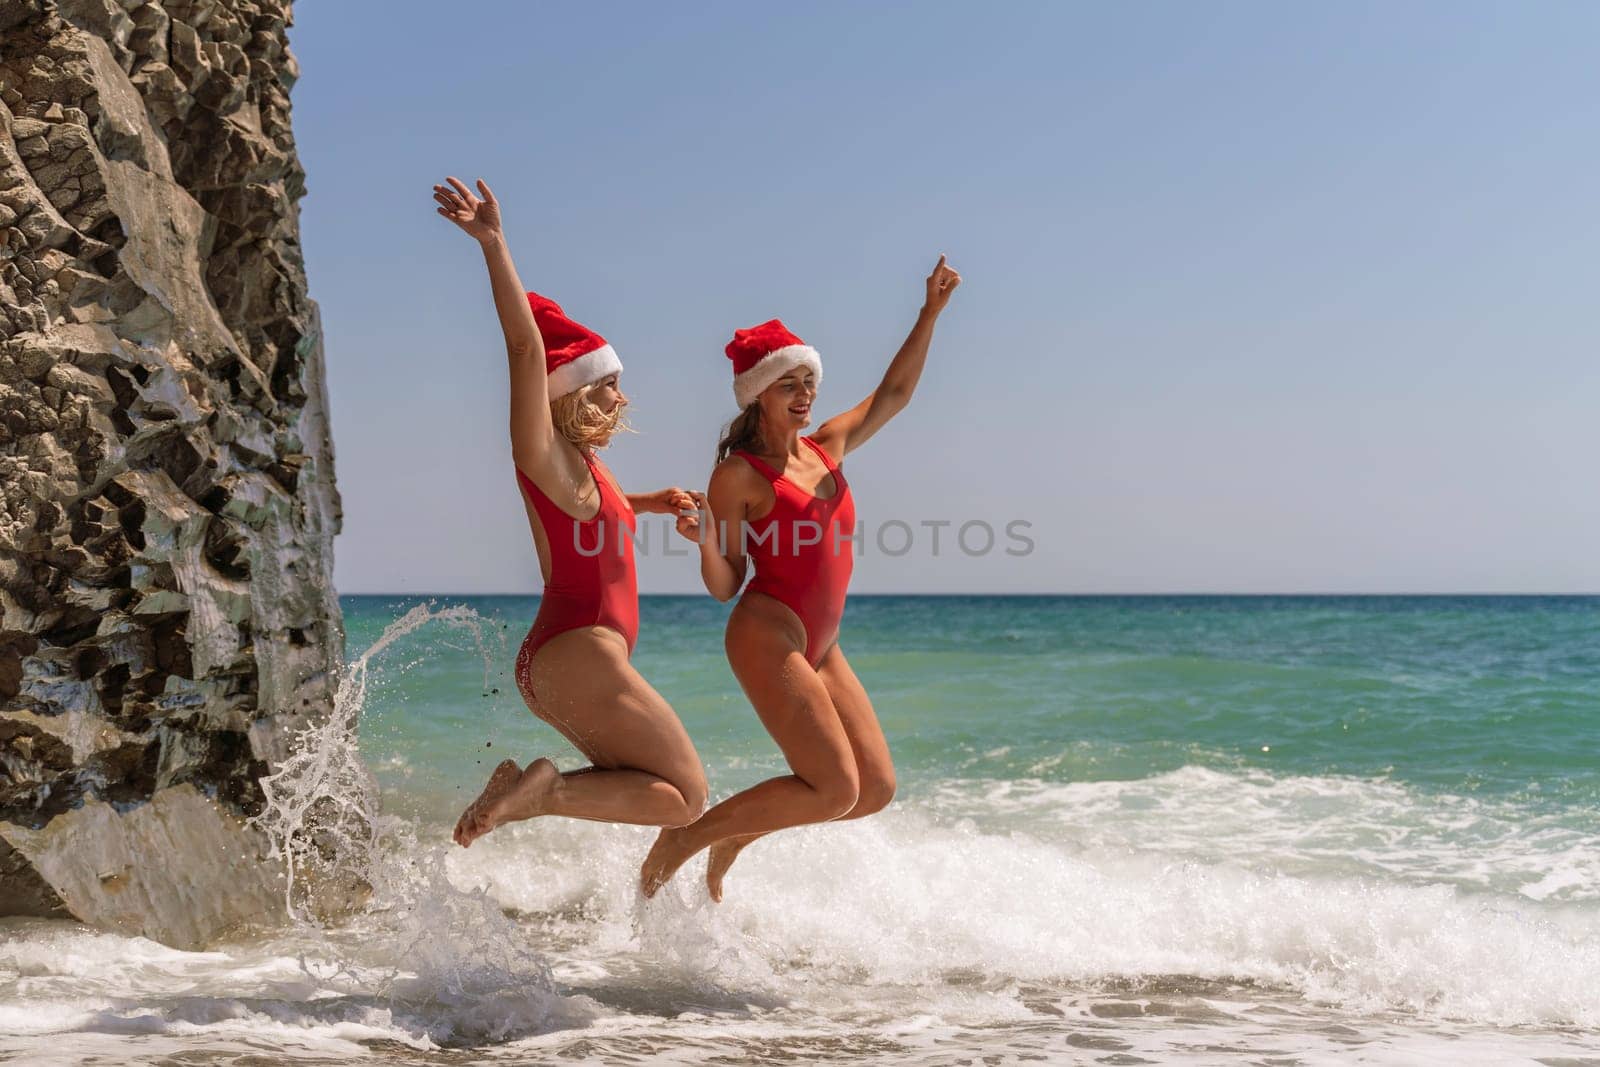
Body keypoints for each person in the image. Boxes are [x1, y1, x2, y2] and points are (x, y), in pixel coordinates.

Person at [640, 255, 962, 899]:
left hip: (824, 643)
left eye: (807, 381)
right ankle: (687, 835)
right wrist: (705, 539)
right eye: (788, 384)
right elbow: (726, 582)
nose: (805, 394)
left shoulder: (827, 447)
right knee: (833, 786)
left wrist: (929, 313)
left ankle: (737, 831)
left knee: (871, 790)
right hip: (768, 632)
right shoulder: (739, 475)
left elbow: (894, 394)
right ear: (758, 393)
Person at [432, 176, 708, 846]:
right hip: (577, 651)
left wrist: (654, 502)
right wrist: (494, 243)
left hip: (562, 660)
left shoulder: (587, 473)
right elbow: (526, 349)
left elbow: (597, 525)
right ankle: (545, 789)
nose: (622, 398)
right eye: (610, 385)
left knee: (665, 795)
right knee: (689, 796)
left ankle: (519, 790)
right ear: (574, 392)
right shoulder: (545, 457)